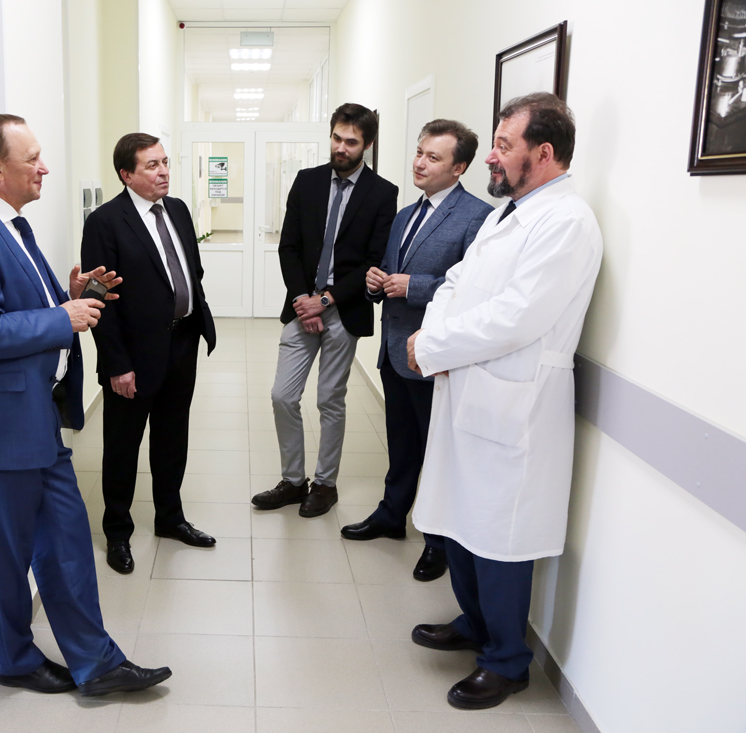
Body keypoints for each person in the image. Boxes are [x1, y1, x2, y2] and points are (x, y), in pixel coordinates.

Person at [0, 114, 170, 696]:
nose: (44, 168)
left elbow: (22, 308)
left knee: (66, 541)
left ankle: (96, 663)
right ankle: (13, 659)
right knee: (6, 555)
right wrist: (63, 317)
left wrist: (71, 295)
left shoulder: (12, 226)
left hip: (36, 415)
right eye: (32, 158)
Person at [406, 93, 603, 710]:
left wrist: (432, 344)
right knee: (462, 522)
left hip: (515, 405)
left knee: (499, 537)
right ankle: (475, 624)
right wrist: (430, 335)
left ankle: (507, 661)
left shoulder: (567, 222)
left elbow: (517, 317)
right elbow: (456, 283)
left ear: (542, 154)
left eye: (502, 145)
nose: (491, 156)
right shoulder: (505, 216)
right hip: (468, 389)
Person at [340, 120, 493, 584]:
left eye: (433, 157)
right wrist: (375, 282)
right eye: (419, 152)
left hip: (436, 356)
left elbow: (472, 290)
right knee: (402, 444)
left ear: (459, 167)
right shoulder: (406, 214)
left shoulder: (478, 217)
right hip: (395, 350)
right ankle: (392, 514)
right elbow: (390, 272)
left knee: (439, 453)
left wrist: (414, 286)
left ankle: (438, 541)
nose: (420, 163)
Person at [251, 103, 397, 518]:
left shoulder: (382, 193)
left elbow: (373, 261)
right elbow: (289, 246)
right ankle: (293, 481)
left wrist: (326, 300)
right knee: (282, 395)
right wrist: (304, 299)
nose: (341, 147)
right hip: (302, 307)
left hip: (343, 310)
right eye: (336, 138)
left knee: (330, 398)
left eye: (351, 141)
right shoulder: (307, 181)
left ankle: (325, 484)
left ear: (367, 145)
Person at [81, 133, 217, 575]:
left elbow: (191, 270)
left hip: (182, 343)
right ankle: (117, 532)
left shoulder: (177, 210)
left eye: (165, 162)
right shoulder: (105, 222)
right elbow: (98, 300)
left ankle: (170, 518)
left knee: (172, 438)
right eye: (152, 165)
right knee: (123, 446)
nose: (163, 172)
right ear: (126, 174)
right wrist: (117, 365)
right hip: (134, 356)